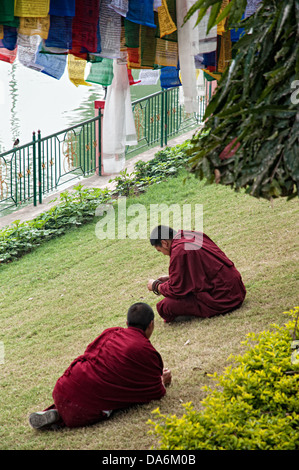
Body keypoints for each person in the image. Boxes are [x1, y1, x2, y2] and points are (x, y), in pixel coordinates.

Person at [29, 303, 171, 430]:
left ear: (127, 322)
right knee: (110, 402)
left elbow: (89, 352)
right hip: (85, 409)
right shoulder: (144, 349)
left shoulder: (112, 332)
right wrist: (162, 381)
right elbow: (153, 390)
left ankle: (56, 412)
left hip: (64, 386)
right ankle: (60, 417)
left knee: (88, 390)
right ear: (151, 324)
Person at [148, 225, 246, 323]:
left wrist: (156, 286)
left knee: (164, 306)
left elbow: (176, 290)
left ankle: (189, 314)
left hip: (223, 297)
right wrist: (171, 278)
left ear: (164, 243)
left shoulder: (179, 251)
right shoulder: (192, 235)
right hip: (237, 289)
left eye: (160, 251)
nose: (164, 254)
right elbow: (205, 268)